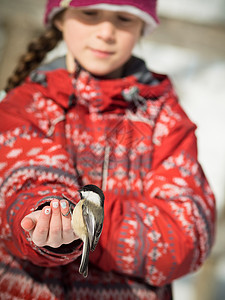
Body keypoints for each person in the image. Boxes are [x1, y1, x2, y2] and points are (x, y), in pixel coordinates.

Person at [0, 0, 216, 299]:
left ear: (143, 27)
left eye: (124, 19)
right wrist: (45, 217)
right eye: (90, 13)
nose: (106, 32)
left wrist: (85, 222)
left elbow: (186, 238)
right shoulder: (25, 107)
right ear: (61, 18)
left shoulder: (165, 120)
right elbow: (21, 190)